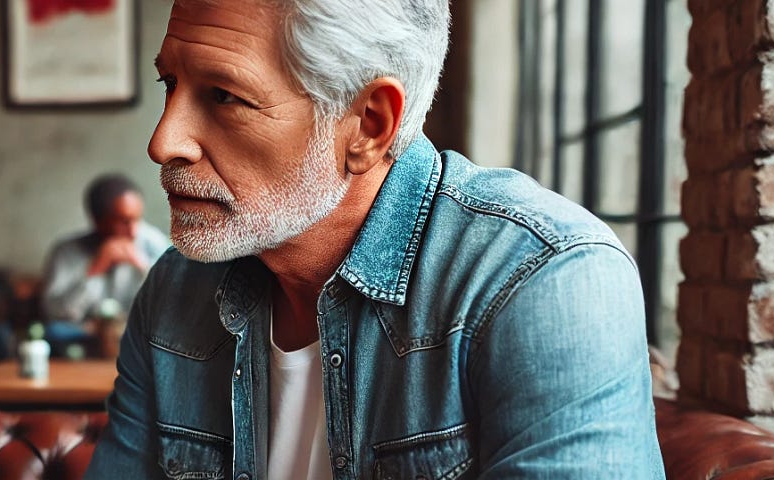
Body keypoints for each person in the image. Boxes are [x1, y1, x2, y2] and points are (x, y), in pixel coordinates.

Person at [86, 0, 664, 479]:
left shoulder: (545, 283)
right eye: (171, 84)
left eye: (224, 96)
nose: (164, 142)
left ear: (368, 123)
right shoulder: (176, 291)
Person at [38, 173, 168, 354]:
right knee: (52, 333)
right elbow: (55, 313)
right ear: (97, 220)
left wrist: (143, 266)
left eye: (137, 219)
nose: (133, 231)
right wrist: (94, 270)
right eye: (123, 221)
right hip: (86, 335)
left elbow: (173, 304)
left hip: (136, 333)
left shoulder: (153, 243)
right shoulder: (67, 252)